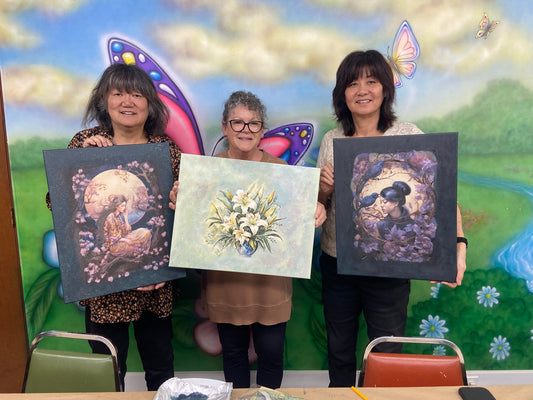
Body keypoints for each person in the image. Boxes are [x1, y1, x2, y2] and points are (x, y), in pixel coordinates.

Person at [317, 50, 467, 387]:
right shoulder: (332, 140)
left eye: (371, 81)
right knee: (339, 350)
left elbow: (442, 196)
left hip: (390, 269)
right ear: (342, 93)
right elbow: (318, 208)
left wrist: (459, 245)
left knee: (386, 353)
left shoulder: (408, 134)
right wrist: (323, 189)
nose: (362, 90)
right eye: (352, 83)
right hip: (337, 264)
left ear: (385, 89)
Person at [170, 90, 326, 389]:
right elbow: (195, 228)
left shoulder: (282, 171)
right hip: (226, 286)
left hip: (270, 287)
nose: (246, 130)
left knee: (271, 355)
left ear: (262, 130)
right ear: (225, 127)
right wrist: (183, 200)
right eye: (237, 122)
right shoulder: (206, 172)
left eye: (254, 123)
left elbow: (295, 220)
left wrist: (316, 208)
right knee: (233, 354)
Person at [47, 63, 181, 390]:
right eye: (118, 93)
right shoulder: (85, 143)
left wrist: (181, 200)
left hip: (154, 285)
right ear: (104, 101)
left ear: (150, 104)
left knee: (161, 370)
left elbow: (182, 218)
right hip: (104, 288)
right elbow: (56, 204)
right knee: (107, 375)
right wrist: (79, 164)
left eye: (137, 95)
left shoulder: (166, 150)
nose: (127, 102)